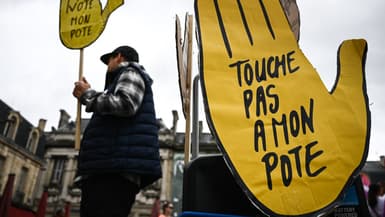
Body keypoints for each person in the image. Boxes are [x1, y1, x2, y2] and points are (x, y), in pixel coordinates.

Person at [72, 45, 162, 217]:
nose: (108, 66)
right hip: (109, 168)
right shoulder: (124, 77)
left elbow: (125, 104)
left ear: (119, 57)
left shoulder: (131, 72)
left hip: (112, 171)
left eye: (109, 61)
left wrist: (87, 94)